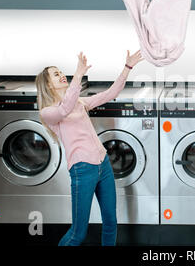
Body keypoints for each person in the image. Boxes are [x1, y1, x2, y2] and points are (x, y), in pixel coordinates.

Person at [35, 50, 143, 246]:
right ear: (49, 84)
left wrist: (128, 67)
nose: (61, 75)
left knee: (110, 222)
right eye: (55, 74)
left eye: (60, 71)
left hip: (103, 165)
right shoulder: (48, 112)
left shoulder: (80, 102)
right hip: (82, 170)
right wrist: (78, 74)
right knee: (78, 233)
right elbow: (64, 109)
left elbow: (112, 92)